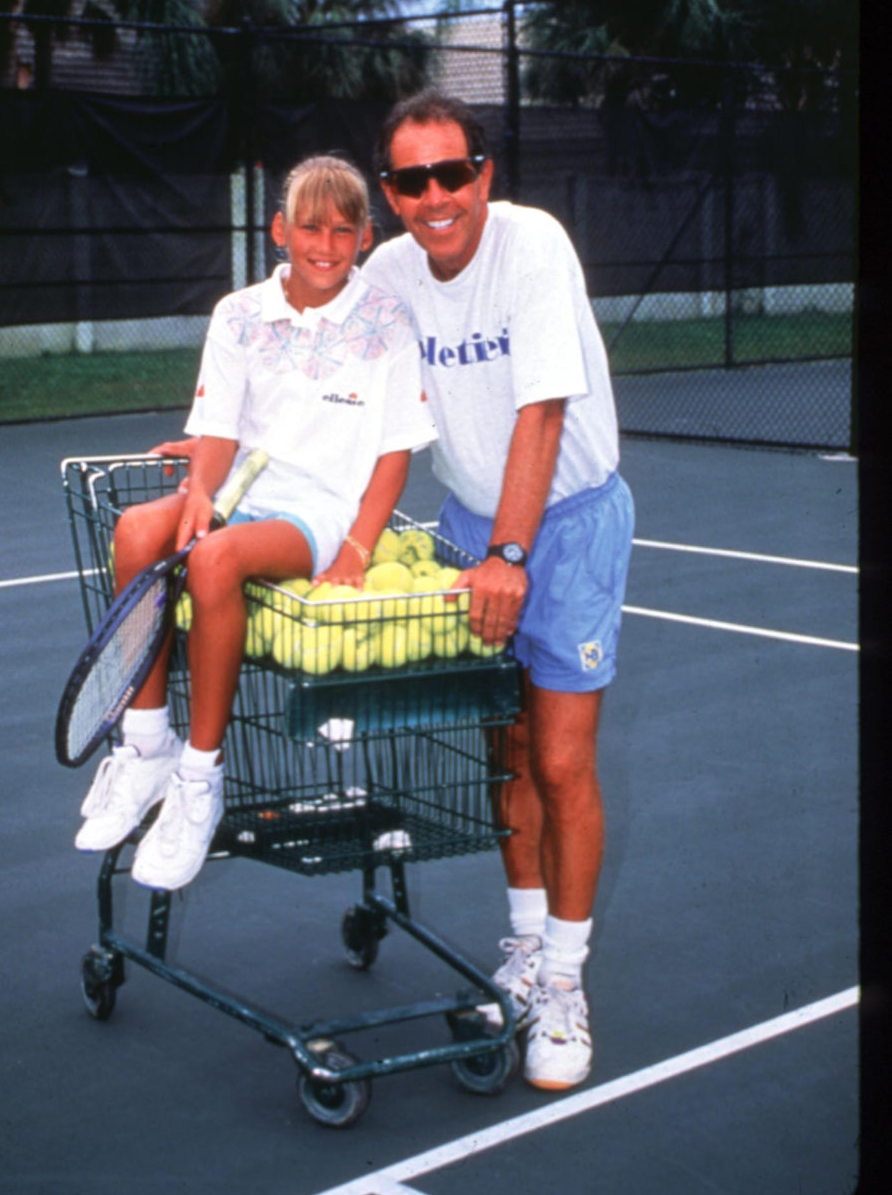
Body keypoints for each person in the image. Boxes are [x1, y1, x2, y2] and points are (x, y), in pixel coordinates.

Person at [359, 90, 635, 1094]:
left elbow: (544, 415)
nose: (434, 196)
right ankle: (523, 950)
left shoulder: (533, 247)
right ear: (390, 193)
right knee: (505, 749)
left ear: (485, 174)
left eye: (450, 173)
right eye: (408, 179)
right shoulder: (389, 271)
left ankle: (564, 983)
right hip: (474, 527)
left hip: (562, 525)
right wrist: (218, 456)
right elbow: (310, 349)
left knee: (561, 760)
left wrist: (510, 557)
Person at [74, 155, 436, 892]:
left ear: (365, 237)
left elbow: (394, 457)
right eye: (310, 227)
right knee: (139, 532)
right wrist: (201, 490)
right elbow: (216, 427)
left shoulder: (388, 323)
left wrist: (359, 549)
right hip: (247, 490)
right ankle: (147, 748)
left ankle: (200, 779)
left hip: (322, 513)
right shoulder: (236, 315)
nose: (326, 245)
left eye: (343, 230)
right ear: (279, 230)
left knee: (213, 562)